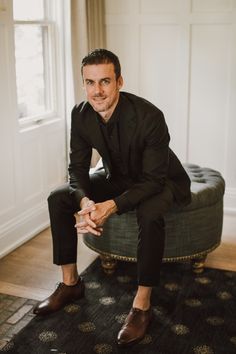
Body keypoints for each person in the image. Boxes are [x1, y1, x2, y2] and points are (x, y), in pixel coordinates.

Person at [33, 49, 191, 346]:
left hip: (161, 181)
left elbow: (153, 180)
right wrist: (85, 203)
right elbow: (76, 169)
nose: (97, 90)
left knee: (149, 211)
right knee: (59, 198)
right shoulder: (80, 114)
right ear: (83, 84)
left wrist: (112, 206)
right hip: (116, 177)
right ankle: (70, 284)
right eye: (90, 82)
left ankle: (142, 305)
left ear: (119, 81)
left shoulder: (149, 116)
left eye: (105, 81)